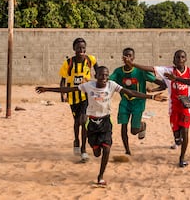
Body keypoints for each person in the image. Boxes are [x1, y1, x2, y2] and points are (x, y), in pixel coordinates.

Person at [36, 66, 167, 186]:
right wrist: (47, 89)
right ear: (95, 75)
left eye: (106, 75)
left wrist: (151, 97)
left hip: (105, 122)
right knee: (97, 152)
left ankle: (100, 176)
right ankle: (95, 149)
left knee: (107, 149)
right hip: (92, 123)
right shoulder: (88, 86)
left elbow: (130, 93)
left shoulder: (111, 85)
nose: (103, 78)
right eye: (101, 75)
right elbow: (69, 89)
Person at [128, 50, 190, 167]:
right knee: (177, 136)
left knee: (185, 132)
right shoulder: (168, 71)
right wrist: (133, 64)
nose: (180, 59)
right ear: (174, 60)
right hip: (173, 108)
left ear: (185, 59)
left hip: (186, 107)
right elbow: (150, 68)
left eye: (182, 57)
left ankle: (182, 158)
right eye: (177, 57)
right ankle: (177, 139)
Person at [109, 47, 164, 156]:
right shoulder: (118, 71)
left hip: (138, 103)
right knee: (123, 126)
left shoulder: (140, 72)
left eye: (130, 55)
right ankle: (127, 150)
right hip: (125, 102)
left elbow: (162, 84)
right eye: (125, 55)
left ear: (133, 58)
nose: (127, 58)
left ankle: (142, 125)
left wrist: (153, 90)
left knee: (134, 131)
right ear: (122, 58)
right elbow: (108, 81)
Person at [59, 37, 98, 162]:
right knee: (77, 122)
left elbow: (97, 69)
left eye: (83, 48)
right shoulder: (69, 63)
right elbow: (63, 80)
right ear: (74, 49)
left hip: (86, 96)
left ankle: (83, 150)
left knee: (84, 121)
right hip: (73, 96)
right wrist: (62, 95)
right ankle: (76, 140)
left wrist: (97, 77)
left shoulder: (90, 59)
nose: (81, 50)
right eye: (78, 48)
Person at [149, 81, 190, 149]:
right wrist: (153, 90)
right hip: (175, 100)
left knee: (188, 115)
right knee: (176, 120)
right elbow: (164, 85)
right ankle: (178, 140)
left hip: (188, 97)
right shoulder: (169, 73)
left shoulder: (188, 73)